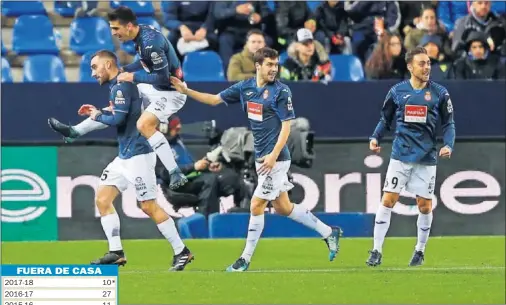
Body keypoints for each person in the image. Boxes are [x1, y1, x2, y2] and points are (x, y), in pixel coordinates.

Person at [170, 47, 343, 272]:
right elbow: (213, 100)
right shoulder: (245, 88)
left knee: (256, 204)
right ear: (258, 66)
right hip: (262, 159)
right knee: (283, 208)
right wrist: (186, 90)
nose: (274, 69)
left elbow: (286, 127)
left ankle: (245, 259)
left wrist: (272, 156)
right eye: (269, 65)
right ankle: (330, 233)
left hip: (277, 159)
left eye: (276, 65)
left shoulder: (281, 92)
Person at [47, 50, 194, 272]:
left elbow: (117, 119)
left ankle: (181, 251)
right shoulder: (118, 86)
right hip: (124, 156)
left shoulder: (123, 86)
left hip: (139, 156)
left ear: (108, 65)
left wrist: (96, 115)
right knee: (103, 199)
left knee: (148, 206)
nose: (93, 73)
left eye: (95, 67)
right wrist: (93, 118)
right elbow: (113, 115)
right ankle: (116, 252)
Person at [366, 46, 456, 267]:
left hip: (426, 157)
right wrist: (375, 137)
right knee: (388, 200)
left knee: (425, 205)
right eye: (422, 63)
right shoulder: (397, 91)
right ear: (410, 66)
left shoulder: (440, 93)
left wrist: (449, 144)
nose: (426, 67)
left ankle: (420, 250)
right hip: (401, 154)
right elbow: (385, 119)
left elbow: (449, 123)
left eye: (428, 63)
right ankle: (376, 250)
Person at [110, 6, 188, 190]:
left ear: (128, 26)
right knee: (126, 94)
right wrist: (127, 70)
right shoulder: (142, 33)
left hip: (172, 93)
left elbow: (163, 77)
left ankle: (175, 171)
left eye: (116, 28)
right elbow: (146, 62)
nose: (114, 33)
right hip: (155, 88)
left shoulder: (150, 43)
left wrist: (133, 76)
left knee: (144, 124)